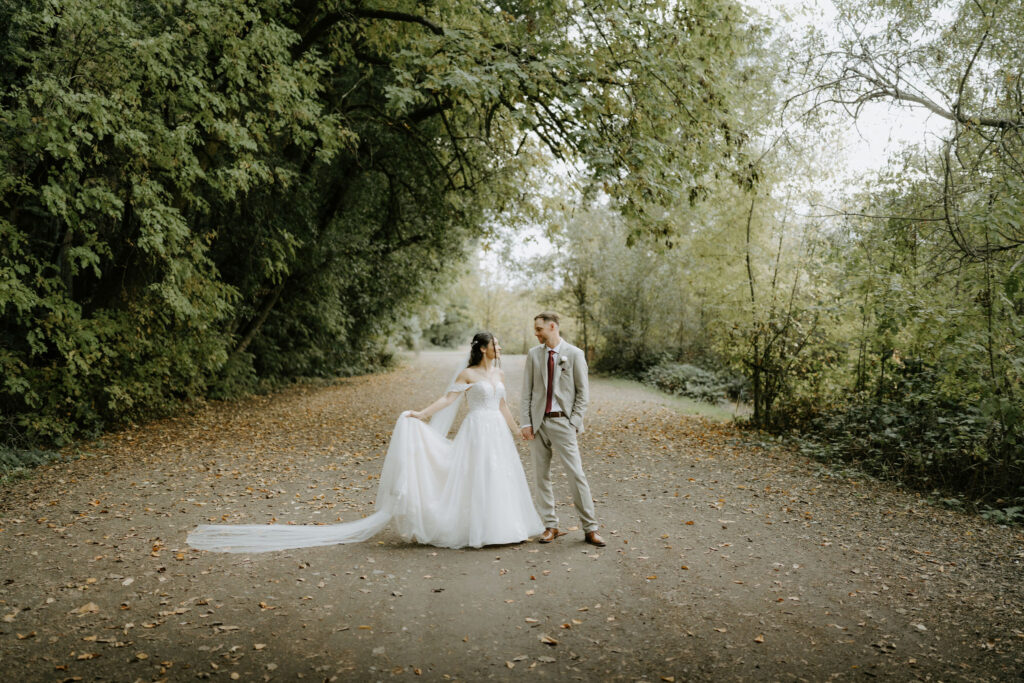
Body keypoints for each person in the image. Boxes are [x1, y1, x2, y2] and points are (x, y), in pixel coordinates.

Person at [186, 332, 543, 552]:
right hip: (475, 433)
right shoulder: (468, 374)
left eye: (498, 344)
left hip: (496, 431)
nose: (499, 348)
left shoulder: (499, 373)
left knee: (500, 478)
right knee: (474, 479)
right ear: (482, 348)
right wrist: (420, 414)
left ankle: (503, 528)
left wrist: (518, 430)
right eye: (495, 344)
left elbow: (503, 406)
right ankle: (475, 530)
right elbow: (448, 401)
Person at [520, 312, 605, 546]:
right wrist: (526, 422)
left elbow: (583, 393)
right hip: (538, 424)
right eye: (535, 330)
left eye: (539, 329)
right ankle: (550, 526)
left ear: (552, 326)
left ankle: (590, 528)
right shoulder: (533, 355)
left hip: (563, 423)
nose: (536, 333)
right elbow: (527, 391)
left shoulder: (575, 355)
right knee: (541, 477)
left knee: (576, 475)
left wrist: (574, 422)